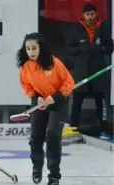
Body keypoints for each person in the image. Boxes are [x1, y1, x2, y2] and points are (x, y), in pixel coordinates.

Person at [16, 33, 75, 185]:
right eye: (28, 48)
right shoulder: (25, 66)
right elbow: (26, 85)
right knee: (36, 137)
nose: (31, 52)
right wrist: (37, 98)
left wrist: (56, 96)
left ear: (41, 48)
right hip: (40, 103)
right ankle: (37, 167)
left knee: (52, 136)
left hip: (58, 104)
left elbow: (69, 82)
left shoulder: (54, 62)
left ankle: (54, 174)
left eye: (34, 48)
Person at [65, 3, 114, 135]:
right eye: (87, 14)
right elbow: (68, 49)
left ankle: (103, 129)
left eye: (92, 14)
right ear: (83, 15)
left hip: (98, 72)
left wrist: (102, 49)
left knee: (101, 102)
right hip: (82, 73)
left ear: (96, 13)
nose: (90, 17)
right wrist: (79, 50)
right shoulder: (77, 29)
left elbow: (110, 47)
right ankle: (73, 128)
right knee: (76, 102)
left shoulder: (103, 28)